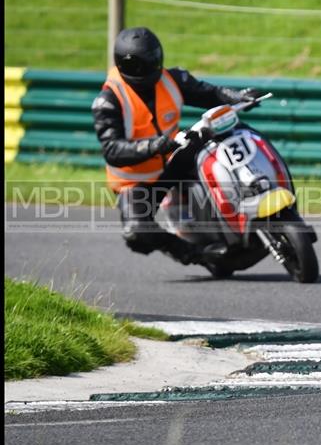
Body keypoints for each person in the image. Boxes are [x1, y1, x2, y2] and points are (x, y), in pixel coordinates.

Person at [92, 26, 260, 267]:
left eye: (152, 60)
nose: (147, 68)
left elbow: (209, 93)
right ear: (123, 65)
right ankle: (200, 256)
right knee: (136, 233)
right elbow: (112, 151)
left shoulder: (172, 79)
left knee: (218, 142)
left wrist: (236, 97)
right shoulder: (107, 101)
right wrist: (157, 145)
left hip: (175, 158)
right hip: (137, 182)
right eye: (139, 64)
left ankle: (254, 199)